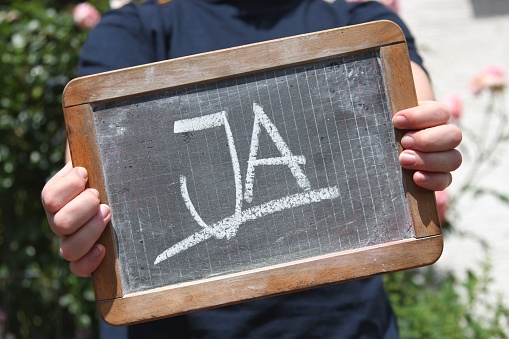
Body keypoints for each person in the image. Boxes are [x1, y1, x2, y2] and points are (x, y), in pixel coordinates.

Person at [41, 0, 462, 338]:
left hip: (350, 326)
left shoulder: (363, 25)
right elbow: (92, 161)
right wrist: (80, 214)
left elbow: (413, 104)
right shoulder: (134, 33)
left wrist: (426, 146)